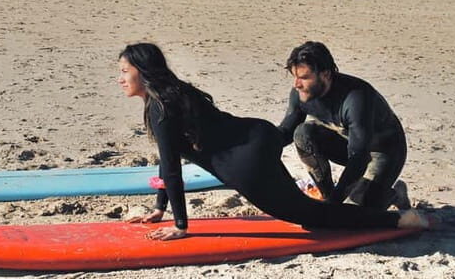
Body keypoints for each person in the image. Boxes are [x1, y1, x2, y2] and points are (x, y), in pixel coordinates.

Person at [119, 43, 429, 241]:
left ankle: (400, 219)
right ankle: (333, 198)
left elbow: (172, 169)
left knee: (315, 219)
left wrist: (180, 226)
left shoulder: (356, 99)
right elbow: (167, 160)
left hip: (380, 151)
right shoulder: (174, 92)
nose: (120, 78)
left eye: (124, 71)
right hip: (258, 136)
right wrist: (160, 208)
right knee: (304, 143)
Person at [278, 41, 410, 211]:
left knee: (356, 211)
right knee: (302, 134)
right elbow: (285, 132)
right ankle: (326, 194)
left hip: (383, 151)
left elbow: (359, 158)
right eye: (294, 76)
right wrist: (257, 145)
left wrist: (336, 205)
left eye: (304, 78)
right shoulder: (301, 93)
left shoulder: (356, 99)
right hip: (348, 143)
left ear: (325, 75)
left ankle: (394, 194)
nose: (296, 84)